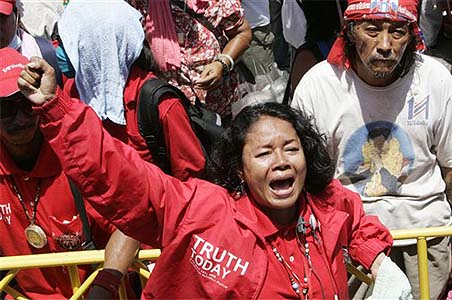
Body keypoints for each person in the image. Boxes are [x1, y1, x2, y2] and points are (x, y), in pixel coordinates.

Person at [17, 55, 414, 299]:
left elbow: (355, 218)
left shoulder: (323, 204)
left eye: (291, 149)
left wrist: (378, 261)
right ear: (239, 170)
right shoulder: (202, 211)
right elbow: (120, 175)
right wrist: (57, 110)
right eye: (263, 153)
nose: (281, 161)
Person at [291, 0, 452, 298]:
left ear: (413, 35)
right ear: (351, 31)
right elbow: (306, 181)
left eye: (398, 32)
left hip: (427, 235)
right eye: (372, 30)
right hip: (350, 240)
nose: (385, 45)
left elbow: (450, 167)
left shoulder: (436, 79)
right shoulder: (318, 86)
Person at [0, 47, 139, 299]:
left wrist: (104, 288)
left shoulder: (75, 156)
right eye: (4, 110)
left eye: (25, 105)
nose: (18, 118)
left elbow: (130, 220)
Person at [57, 0, 205, 180]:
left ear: (96, 47)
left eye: (68, 44)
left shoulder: (159, 104)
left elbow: (193, 181)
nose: (58, 50)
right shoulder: (72, 93)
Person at [145, 0, 252, 118]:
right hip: (172, 111)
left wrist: (222, 63)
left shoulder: (215, 2)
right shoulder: (141, 4)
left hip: (219, 106)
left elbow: (242, 33)